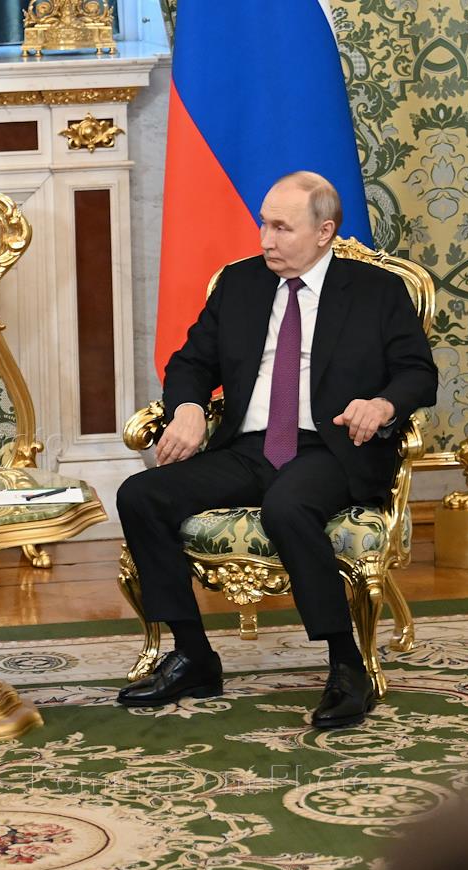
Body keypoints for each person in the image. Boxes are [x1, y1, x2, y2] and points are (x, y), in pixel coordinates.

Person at [115, 171, 436, 728]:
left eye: (282, 228)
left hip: (332, 447)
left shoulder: (376, 290)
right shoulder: (240, 284)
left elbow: (418, 374)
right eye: (264, 225)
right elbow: (191, 363)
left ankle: (347, 666)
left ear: (324, 231)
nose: (266, 239)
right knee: (141, 495)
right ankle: (193, 656)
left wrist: (382, 405)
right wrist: (187, 407)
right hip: (249, 448)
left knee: (288, 506)